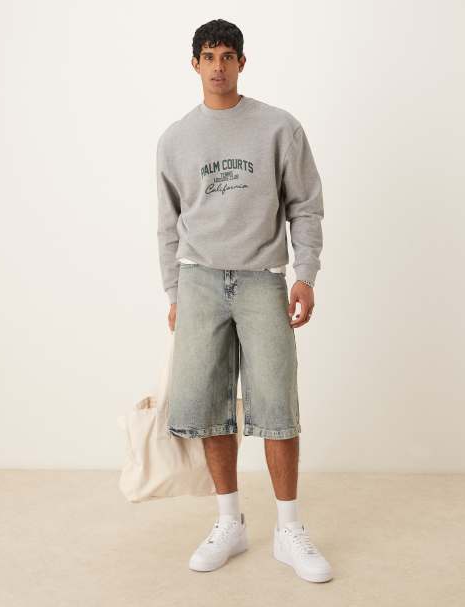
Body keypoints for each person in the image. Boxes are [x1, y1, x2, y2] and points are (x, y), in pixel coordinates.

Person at [156, 18, 333, 583]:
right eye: (208, 56)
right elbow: (167, 223)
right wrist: (174, 292)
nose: (218, 66)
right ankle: (229, 522)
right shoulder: (176, 139)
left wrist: (305, 274)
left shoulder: (278, 127)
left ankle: (289, 530)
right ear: (194, 64)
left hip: (262, 278)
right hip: (199, 281)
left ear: (242, 62)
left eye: (227, 56)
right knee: (209, 405)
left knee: (277, 404)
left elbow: (305, 205)